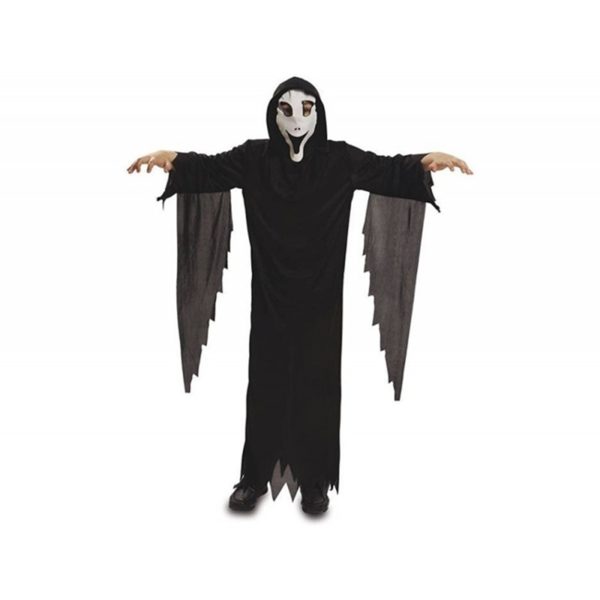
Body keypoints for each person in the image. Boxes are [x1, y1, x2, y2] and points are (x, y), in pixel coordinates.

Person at [127, 76, 473, 516]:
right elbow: (210, 169)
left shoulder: (339, 160)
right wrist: (173, 159)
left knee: (318, 384)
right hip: (271, 294)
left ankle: (314, 481)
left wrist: (423, 162)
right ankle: (254, 477)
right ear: (273, 114)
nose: (296, 119)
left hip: (322, 298)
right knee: (265, 381)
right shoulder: (254, 158)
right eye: (286, 109)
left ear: (318, 113)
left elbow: (386, 169)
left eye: (306, 109)